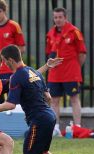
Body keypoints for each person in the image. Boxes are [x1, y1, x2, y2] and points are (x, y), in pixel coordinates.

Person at [46, 7, 87, 137]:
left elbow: (82, 54)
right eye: (55, 17)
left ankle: (77, 127)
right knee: (54, 100)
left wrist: (75, 67)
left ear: (65, 18)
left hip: (71, 72)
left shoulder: (74, 32)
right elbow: (49, 54)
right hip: (55, 74)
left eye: (60, 17)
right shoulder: (50, 33)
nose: (57, 20)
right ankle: (55, 128)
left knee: (74, 99)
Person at [0, 0, 25, 103]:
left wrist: (6, 55)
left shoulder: (14, 26)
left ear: (4, 11)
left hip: (11, 70)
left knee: (14, 101)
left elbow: (21, 48)